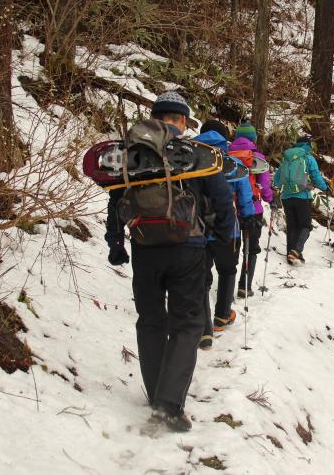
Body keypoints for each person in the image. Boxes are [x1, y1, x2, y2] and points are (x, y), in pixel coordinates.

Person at [105, 92, 235, 432]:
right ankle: (168, 404)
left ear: (155, 115)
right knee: (188, 324)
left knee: (150, 320)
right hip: (188, 248)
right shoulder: (196, 153)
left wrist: (116, 242)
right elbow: (222, 201)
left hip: (144, 247)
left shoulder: (133, 150)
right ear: (181, 120)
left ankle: (155, 394)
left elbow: (116, 197)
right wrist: (222, 243)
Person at [193, 120, 255, 350]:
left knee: (202, 276)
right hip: (227, 229)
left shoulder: (190, 161)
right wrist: (248, 217)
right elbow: (245, 195)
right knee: (227, 270)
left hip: (197, 229)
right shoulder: (232, 163)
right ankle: (221, 315)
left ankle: (204, 330)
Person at [228, 121, 274, 297]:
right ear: (253, 138)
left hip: (230, 209)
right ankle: (244, 286)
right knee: (250, 249)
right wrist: (270, 199)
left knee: (232, 248)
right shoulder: (257, 157)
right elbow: (264, 184)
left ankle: (227, 288)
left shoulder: (226, 154)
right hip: (253, 210)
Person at [272, 134, 329, 265]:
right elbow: (316, 176)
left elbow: (276, 179)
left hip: (286, 197)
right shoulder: (308, 158)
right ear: (308, 146)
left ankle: (291, 256)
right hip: (302, 197)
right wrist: (325, 187)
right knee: (305, 226)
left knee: (292, 226)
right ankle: (296, 251)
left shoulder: (286, 159)